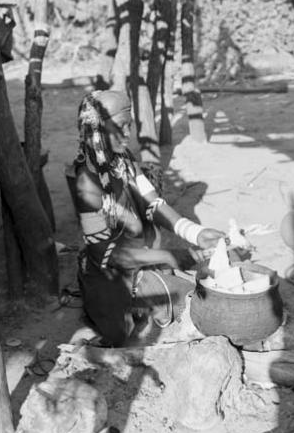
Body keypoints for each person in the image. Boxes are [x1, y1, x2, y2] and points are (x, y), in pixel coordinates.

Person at [74, 89, 225, 347]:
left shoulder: (124, 161)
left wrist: (195, 232)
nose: (127, 133)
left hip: (139, 258)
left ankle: (152, 296)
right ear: (98, 128)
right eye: (120, 126)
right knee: (198, 303)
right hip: (111, 274)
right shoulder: (87, 183)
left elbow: (153, 203)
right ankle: (128, 307)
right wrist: (171, 256)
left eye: (130, 125)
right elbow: (106, 254)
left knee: (206, 286)